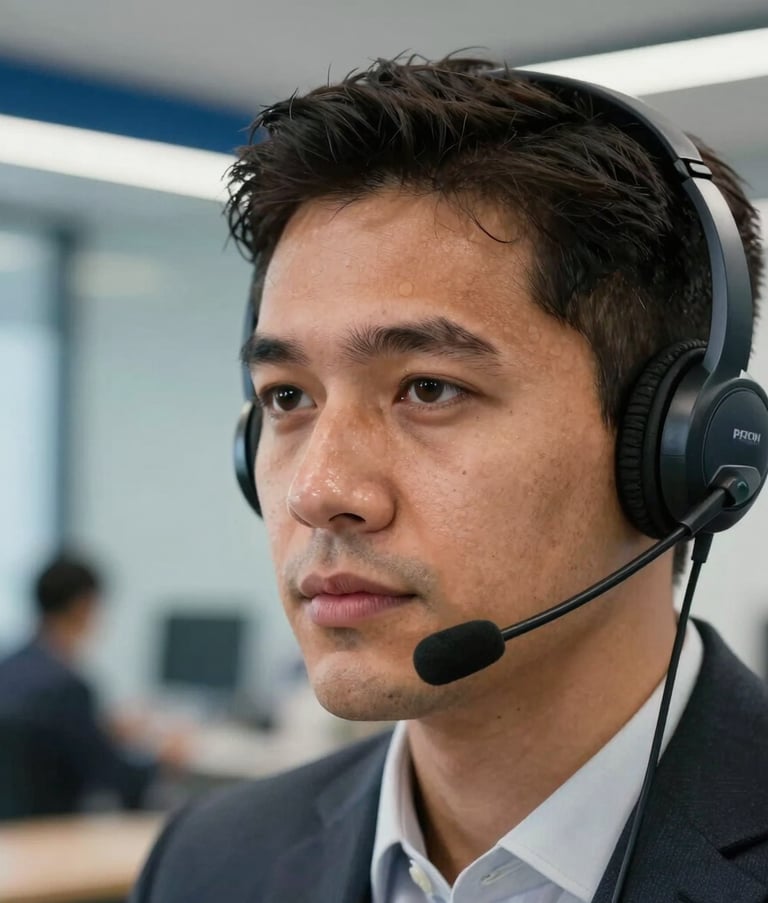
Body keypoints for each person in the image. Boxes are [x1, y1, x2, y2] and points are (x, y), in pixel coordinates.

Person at [132, 56, 768, 902]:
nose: (317, 491)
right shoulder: (209, 861)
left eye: (429, 388)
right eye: (288, 396)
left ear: (675, 450)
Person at [0, 554, 181, 818]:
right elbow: (112, 778)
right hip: (47, 829)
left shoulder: (8, 666)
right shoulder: (67, 687)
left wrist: (102, 728)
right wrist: (163, 761)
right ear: (83, 606)